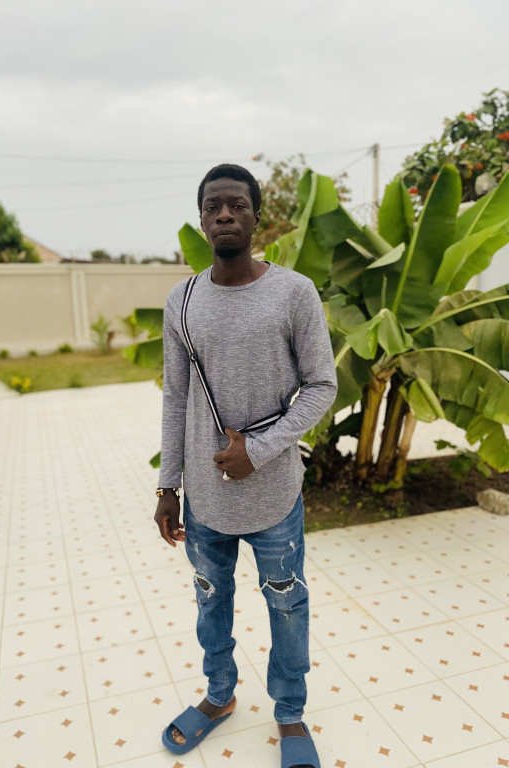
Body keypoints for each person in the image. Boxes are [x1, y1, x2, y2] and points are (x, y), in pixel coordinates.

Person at [154, 163, 337, 768]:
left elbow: (321, 386)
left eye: (237, 204)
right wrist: (168, 486)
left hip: (274, 496)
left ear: (257, 216)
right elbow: (176, 398)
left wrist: (257, 450)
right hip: (205, 499)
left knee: (287, 605)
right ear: (202, 219)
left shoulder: (293, 293)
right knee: (211, 601)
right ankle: (219, 696)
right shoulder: (182, 301)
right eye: (213, 207)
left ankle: (290, 712)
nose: (225, 215)